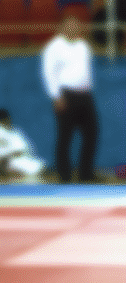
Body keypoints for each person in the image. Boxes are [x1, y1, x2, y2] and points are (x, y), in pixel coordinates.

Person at [41, 13, 99, 184]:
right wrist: (56, 96)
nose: (74, 28)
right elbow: (49, 73)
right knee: (65, 136)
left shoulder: (83, 46)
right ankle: (64, 175)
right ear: (62, 27)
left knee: (91, 134)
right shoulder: (54, 47)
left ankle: (85, 173)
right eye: (70, 25)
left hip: (85, 96)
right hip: (66, 96)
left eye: (77, 25)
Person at [0, 108, 45, 181]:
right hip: (10, 162)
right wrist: (4, 168)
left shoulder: (13, 130)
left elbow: (23, 146)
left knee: (40, 168)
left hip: (23, 158)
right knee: (32, 173)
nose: (8, 119)